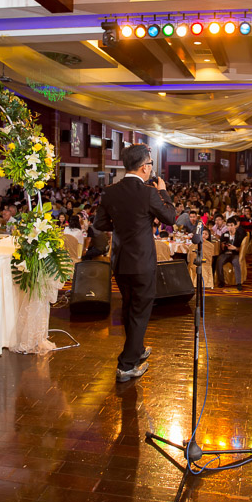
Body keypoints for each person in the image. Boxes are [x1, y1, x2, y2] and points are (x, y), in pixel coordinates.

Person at [94, 144, 177, 382]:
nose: (151, 169)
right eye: (150, 165)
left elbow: (100, 224)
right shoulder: (149, 193)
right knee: (140, 311)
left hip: (120, 261)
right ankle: (126, 365)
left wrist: (123, 227)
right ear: (143, 167)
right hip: (141, 263)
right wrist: (163, 192)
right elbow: (170, 218)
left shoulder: (110, 192)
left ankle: (137, 350)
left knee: (130, 307)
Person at [215, 217, 247, 291]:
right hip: (226, 253)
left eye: (231, 225)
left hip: (235, 254)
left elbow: (242, 249)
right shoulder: (224, 235)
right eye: (228, 226)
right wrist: (223, 245)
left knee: (236, 262)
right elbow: (222, 248)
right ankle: (221, 281)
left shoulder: (240, 235)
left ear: (235, 226)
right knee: (219, 261)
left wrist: (235, 248)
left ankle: (239, 283)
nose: (230, 227)